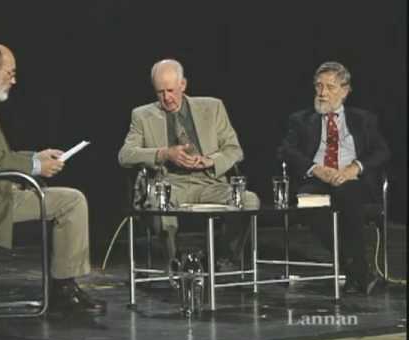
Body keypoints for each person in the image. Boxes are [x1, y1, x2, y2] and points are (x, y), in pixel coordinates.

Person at [0, 42, 105, 313]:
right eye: (10, 73)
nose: (14, 80)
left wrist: (38, 155)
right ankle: (63, 289)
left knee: (61, 197)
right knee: (71, 202)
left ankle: (62, 285)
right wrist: (37, 166)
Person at [118, 59, 260, 269]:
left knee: (249, 201)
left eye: (171, 90)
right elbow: (125, 155)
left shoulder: (212, 107)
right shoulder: (142, 115)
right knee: (158, 203)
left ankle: (224, 257)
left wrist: (210, 160)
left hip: (210, 184)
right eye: (160, 92)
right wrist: (165, 154)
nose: (166, 98)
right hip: (170, 185)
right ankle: (175, 263)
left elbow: (235, 150)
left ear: (183, 85)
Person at [278, 61, 390, 295]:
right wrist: (316, 168)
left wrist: (354, 168)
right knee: (309, 203)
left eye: (330, 87)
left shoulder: (363, 119)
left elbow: (382, 151)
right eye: (318, 86)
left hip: (352, 182)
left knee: (346, 194)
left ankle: (354, 270)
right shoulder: (300, 119)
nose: (322, 93)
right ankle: (359, 271)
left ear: (345, 90)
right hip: (317, 180)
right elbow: (286, 150)